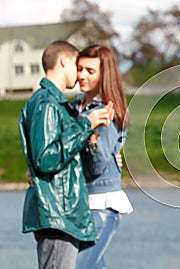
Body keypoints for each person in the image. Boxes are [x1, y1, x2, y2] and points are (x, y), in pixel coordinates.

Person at [19, 40, 113, 269]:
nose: (79, 73)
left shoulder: (55, 104)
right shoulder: (47, 104)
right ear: (63, 61)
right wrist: (85, 124)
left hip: (61, 214)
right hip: (57, 214)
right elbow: (46, 158)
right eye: (77, 66)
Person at [73, 45, 133, 269]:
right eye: (79, 69)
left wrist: (93, 138)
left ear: (104, 74)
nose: (81, 75)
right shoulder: (76, 107)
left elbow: (98, 165)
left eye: (89, 70)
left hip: (101, 202)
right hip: (80, 200)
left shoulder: (108, 109)